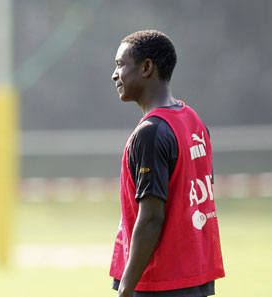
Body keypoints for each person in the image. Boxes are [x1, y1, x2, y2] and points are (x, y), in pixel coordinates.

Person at [109, 30, 225, 297]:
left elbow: (151, 218)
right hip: (195, 279)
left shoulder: (150, 132)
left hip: (160, 283)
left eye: (120, 65)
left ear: (147, 67)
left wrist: (125, 291)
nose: (115, 75)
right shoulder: (194, 121)